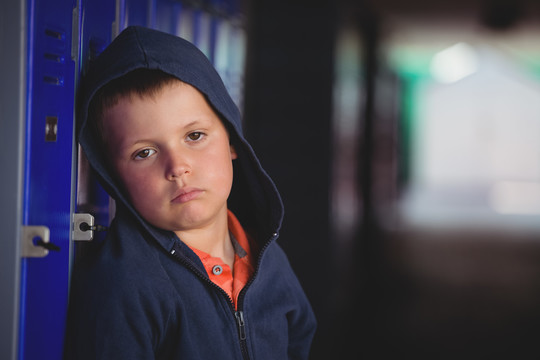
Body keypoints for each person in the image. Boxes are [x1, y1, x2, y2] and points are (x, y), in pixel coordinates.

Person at [63, 26, 316, 359]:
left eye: (195, 136)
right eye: (145, 153)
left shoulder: (268, 259)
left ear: (231, 140)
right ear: (113, 176)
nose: (177, 167)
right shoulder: (122, 286)